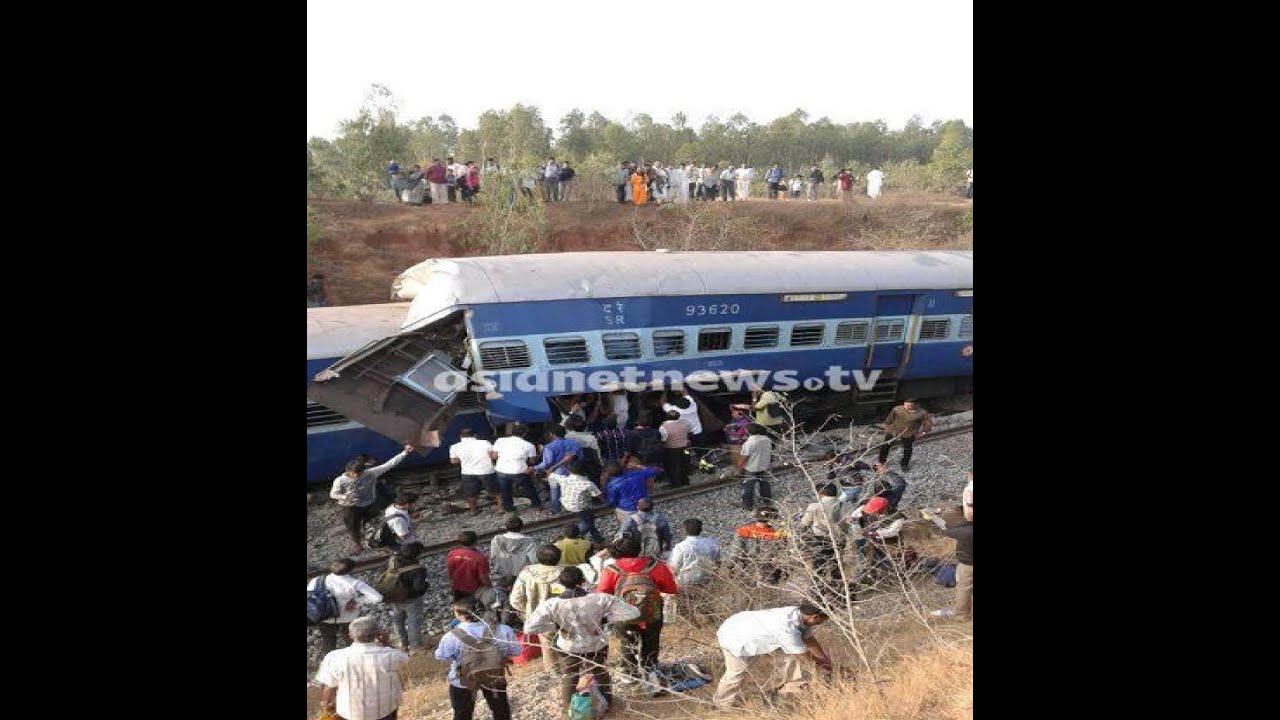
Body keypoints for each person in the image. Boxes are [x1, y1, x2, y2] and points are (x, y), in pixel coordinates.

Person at [524, 566, 640, 713]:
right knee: (599, 671)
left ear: (560, 584)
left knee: (570, 674)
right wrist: (605, 619)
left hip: (568, 646)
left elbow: (529, 628)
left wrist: (556, 625)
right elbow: (634, 613)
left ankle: (568, 709)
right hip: (596, 644)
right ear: (583, 580)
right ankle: (608, 704)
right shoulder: (601, 598)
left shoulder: (551, 604)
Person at [711, 603, 832, 710]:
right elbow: (802, 655)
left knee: (790, 659)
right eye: (823, 620)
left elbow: (809, 640)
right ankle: (721, 705)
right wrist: (821, 668)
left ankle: (783, 691)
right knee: (736, 673)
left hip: (749, 628)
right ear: (814, 617)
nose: (822, 623)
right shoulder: (786, 628)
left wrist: (824, 661)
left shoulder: (799, 615)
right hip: (734, 637)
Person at [596, 536, 678, 684]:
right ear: (638, 549)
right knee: (651, 640)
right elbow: (671, 589)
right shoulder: (656, 566)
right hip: (652, 612)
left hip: (623, 614)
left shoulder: (611, 570)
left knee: (627, 641)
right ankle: (650, 669)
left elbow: (602, 594)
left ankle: (629, 672)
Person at [433, 601, 521, 720]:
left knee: (462, 713)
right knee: (501, 710)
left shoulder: (451, 636)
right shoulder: (503, 629)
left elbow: (441, 656)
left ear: (460, 616)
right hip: (494, 676)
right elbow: (515, 651)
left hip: (463, 679)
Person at [316, 616, 409, 720]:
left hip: (349, 713)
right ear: (378, 634)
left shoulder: (335, 657)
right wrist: (386, 642)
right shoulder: (391, 655)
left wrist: (326, 704)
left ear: (350, 635)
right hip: (385, 711)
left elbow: (328, 686)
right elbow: (405, 658)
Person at [330, 446, 413, 551]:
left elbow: (389, 464)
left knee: (378, 523)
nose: (357, 476)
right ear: (348, 471)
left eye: (360, 473)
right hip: (351, 507)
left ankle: (380, 541)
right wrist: (344, 496)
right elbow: (333, 494)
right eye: (354, 474)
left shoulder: (371, 473)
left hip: (370, 504)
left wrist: (404, 452)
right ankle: (358, 544)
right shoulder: (340, 481)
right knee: (353, 526)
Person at [309, 558, 384, 656]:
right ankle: (353, 662)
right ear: (350, 570)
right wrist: (358, 602)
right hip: (348, 617)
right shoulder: (353, 582)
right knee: (352, 642)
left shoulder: (317, 580)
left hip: (325, 616)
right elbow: (377, 598)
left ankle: (327, 664)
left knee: (328, 642)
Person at [510, 544, 565, 671]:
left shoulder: (527, 572)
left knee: (547, 646)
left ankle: (554, 673)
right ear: (558, 558)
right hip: (563, 616)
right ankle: (573, 669)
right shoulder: (564, 572)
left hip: (538, 617)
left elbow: (516, 599)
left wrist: (528, 611)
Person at [666, 517, 720, 626]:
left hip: (685, 581)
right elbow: (718, 562)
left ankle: (693, 625)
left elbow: (673, 568)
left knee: (682, 604)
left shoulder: (680, 547)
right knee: (704, 601)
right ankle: (714, 622)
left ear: (685, 530)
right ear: (701, 529)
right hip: (706, 578)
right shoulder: (712, 543)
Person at [798, 483, 853, 584]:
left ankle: (819, 593)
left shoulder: (814, 506)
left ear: (820, 493)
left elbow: (804, 523)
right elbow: (848, 523)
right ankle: (839, 591)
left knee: (819, 567)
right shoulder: (845, 505)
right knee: (837, 565)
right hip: (839, 539)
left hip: (821, 540)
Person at [381, 541, 430, 652]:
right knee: (413, 621)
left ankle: (402, 642)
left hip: (393, 597)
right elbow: (419, 588)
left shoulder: (392, 560)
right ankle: (415, 645)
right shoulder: (417, 569)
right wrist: (426, 585)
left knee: (397, 620)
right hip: (411, 599)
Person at [924, 508, 972, 620]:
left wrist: (934, 517)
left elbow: (946, 528)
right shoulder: (966, 529)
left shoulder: (966, 531)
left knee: (964, 589)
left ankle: (962, 615)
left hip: (968, 565)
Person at [728, 508, 789, 587]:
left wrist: (730, 566)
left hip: (747, 568)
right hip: (769, 571)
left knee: (747, 590)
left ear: (756, 518)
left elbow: (735, 551)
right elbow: (783, 555)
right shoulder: (779, 534)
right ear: (771, 519)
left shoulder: (743, 531)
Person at [492, 423, 542, 513]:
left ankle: (509, 508)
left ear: (512, 432)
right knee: (528, 488)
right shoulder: (529, 445)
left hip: (501, 470)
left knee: (505, 491)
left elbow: (494, 456)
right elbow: (532, 461)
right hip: (519, 471)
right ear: (524, 434)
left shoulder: (500, 441)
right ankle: (536, 504)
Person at [533, 424, 582, 514]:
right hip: (574, 470)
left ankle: (556, 510)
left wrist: (534, 468)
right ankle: (573, 507)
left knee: (555, 491)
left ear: (552, 434)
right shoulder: (575, 443)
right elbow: (580, 457)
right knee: (572, 489)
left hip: (557, 472)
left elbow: (546, 463)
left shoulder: (549, 447)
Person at [450, 429, 499, 516]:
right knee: (496, 491)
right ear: (475, 435)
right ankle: (501, 509)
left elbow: (453, 461)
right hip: (486, 470)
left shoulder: (455, 446)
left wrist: (463, 459)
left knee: (471, 494)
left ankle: (473, 511)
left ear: (460, 436)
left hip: (468, 472)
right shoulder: (485, 443)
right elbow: (493, 455)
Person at [876, 399, 933, 471]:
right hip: (894, 431)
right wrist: (887, 429)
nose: (906, 407)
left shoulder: (921, 413)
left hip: (908, 433)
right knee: (885, 446)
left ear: (915, 405)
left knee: (907, 449)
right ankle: (881, 461)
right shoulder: (897, 409)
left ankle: (904, 464)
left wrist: (923, 433)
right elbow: (888, 420)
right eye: (905, 405)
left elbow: (928, 424)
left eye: (909, 405)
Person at [559, 459, 605, 543]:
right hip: (580, 507)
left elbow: (552, 475)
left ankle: (597, 537)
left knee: (588, 520)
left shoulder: (564, 479)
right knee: (588, 523)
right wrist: (607, 501)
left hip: (567, 504)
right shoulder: (587, 483)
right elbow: (600, 496)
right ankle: (573, 537)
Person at [605, 457, 659, 525]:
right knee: (646, 527)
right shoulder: (638, 473)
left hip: (625, 510)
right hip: (643, 507)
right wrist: (638, 466)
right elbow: (656, 470)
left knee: (629, 529)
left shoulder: (611, 485)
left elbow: (612, 502)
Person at [446, 531, 492, 602]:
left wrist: (452, 586)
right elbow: (484, 578)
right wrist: (490, 586)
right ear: (475, 542)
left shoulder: (451, 554)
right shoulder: (480, 558)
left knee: (459, 607)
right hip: (473, 590)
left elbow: (450, 573)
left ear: (459, 542)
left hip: (457, 588)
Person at [737, 424, 774, 510]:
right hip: (765, 465)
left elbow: (744, 457)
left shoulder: (749, 443)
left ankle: (747, 504)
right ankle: (767, 501)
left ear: (749, 432)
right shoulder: (767, 439)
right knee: (765, 484)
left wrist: (739, 468)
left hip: (752, 468)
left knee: (748, 486)